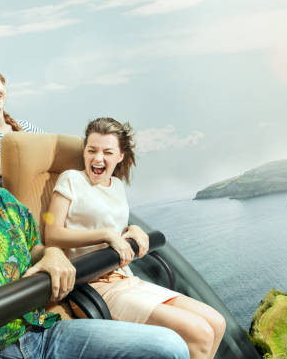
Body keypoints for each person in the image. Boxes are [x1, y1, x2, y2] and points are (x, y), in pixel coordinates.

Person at [0, 125, 190, 359]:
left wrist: (53, 255)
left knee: (170, 345)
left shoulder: (3, 201)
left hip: (43, 333)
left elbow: (36, 248)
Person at [44, 117, 226, 359]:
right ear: (85, 151)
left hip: (126, 278)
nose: (98, 158)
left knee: (216, 322)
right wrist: (107, 235)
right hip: (94, 287)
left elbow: (112, 224)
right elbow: (52, 234)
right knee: (199, 333)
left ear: (120, 156)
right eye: (92, 150)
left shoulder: (117, 186)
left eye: (107, 152)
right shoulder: (71, 180)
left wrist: (132, 230)